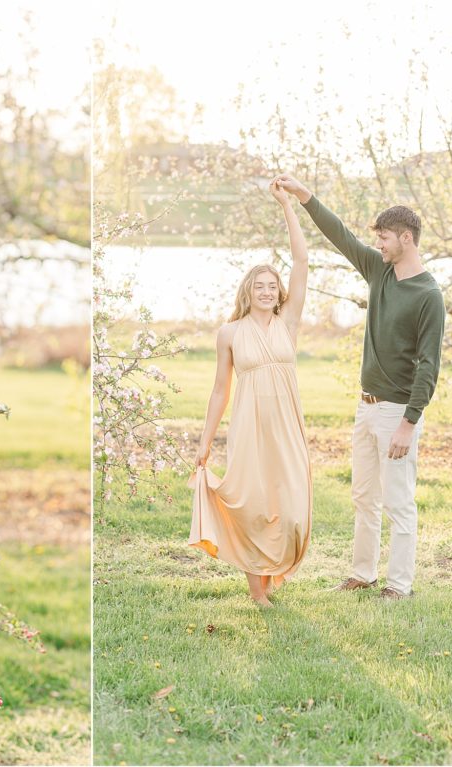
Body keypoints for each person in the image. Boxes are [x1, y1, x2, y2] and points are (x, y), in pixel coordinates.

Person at [274, 173, 445, 599]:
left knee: (398, 502)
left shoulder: (429, 295)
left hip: (396, 413)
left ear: (406, 238)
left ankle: (399, 585)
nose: (380, 244)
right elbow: (341, 235)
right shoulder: (379, 271)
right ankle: (362, 573)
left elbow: (429, 366)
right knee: (363, 496)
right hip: (365, 407)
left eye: (386, 238)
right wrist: (303, 196)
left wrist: (409, 422)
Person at [188, 178, 312, 607]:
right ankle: (257, 590)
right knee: (254, 505)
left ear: (278, 293)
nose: (265, 290)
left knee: (293, 508)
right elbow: (219, 390)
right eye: (257, 285)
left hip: (288, 425)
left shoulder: (288, 322)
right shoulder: (229, 333)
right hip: (249, 426)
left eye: (271, 285)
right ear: (247, 291)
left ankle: (277, 570)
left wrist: (288, 206)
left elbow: (300, 259)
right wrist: (205, 444)